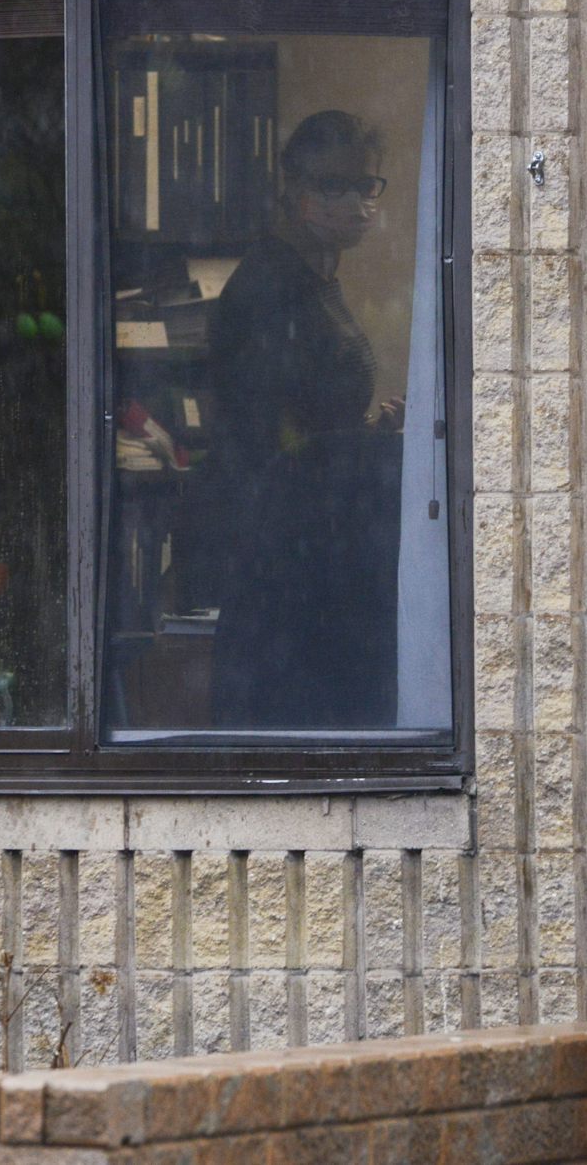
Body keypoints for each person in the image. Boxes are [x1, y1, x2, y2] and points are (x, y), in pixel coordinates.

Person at [206, 109, 405, 730]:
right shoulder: (268, 288)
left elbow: (314, 417)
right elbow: (269, 437)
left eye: (365, 185)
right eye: (332, 186)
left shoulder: (317, 279)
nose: (354, 202)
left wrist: (370, 437)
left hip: (326, 547)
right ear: (292, 189)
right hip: (290, 564)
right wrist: (358, 446)